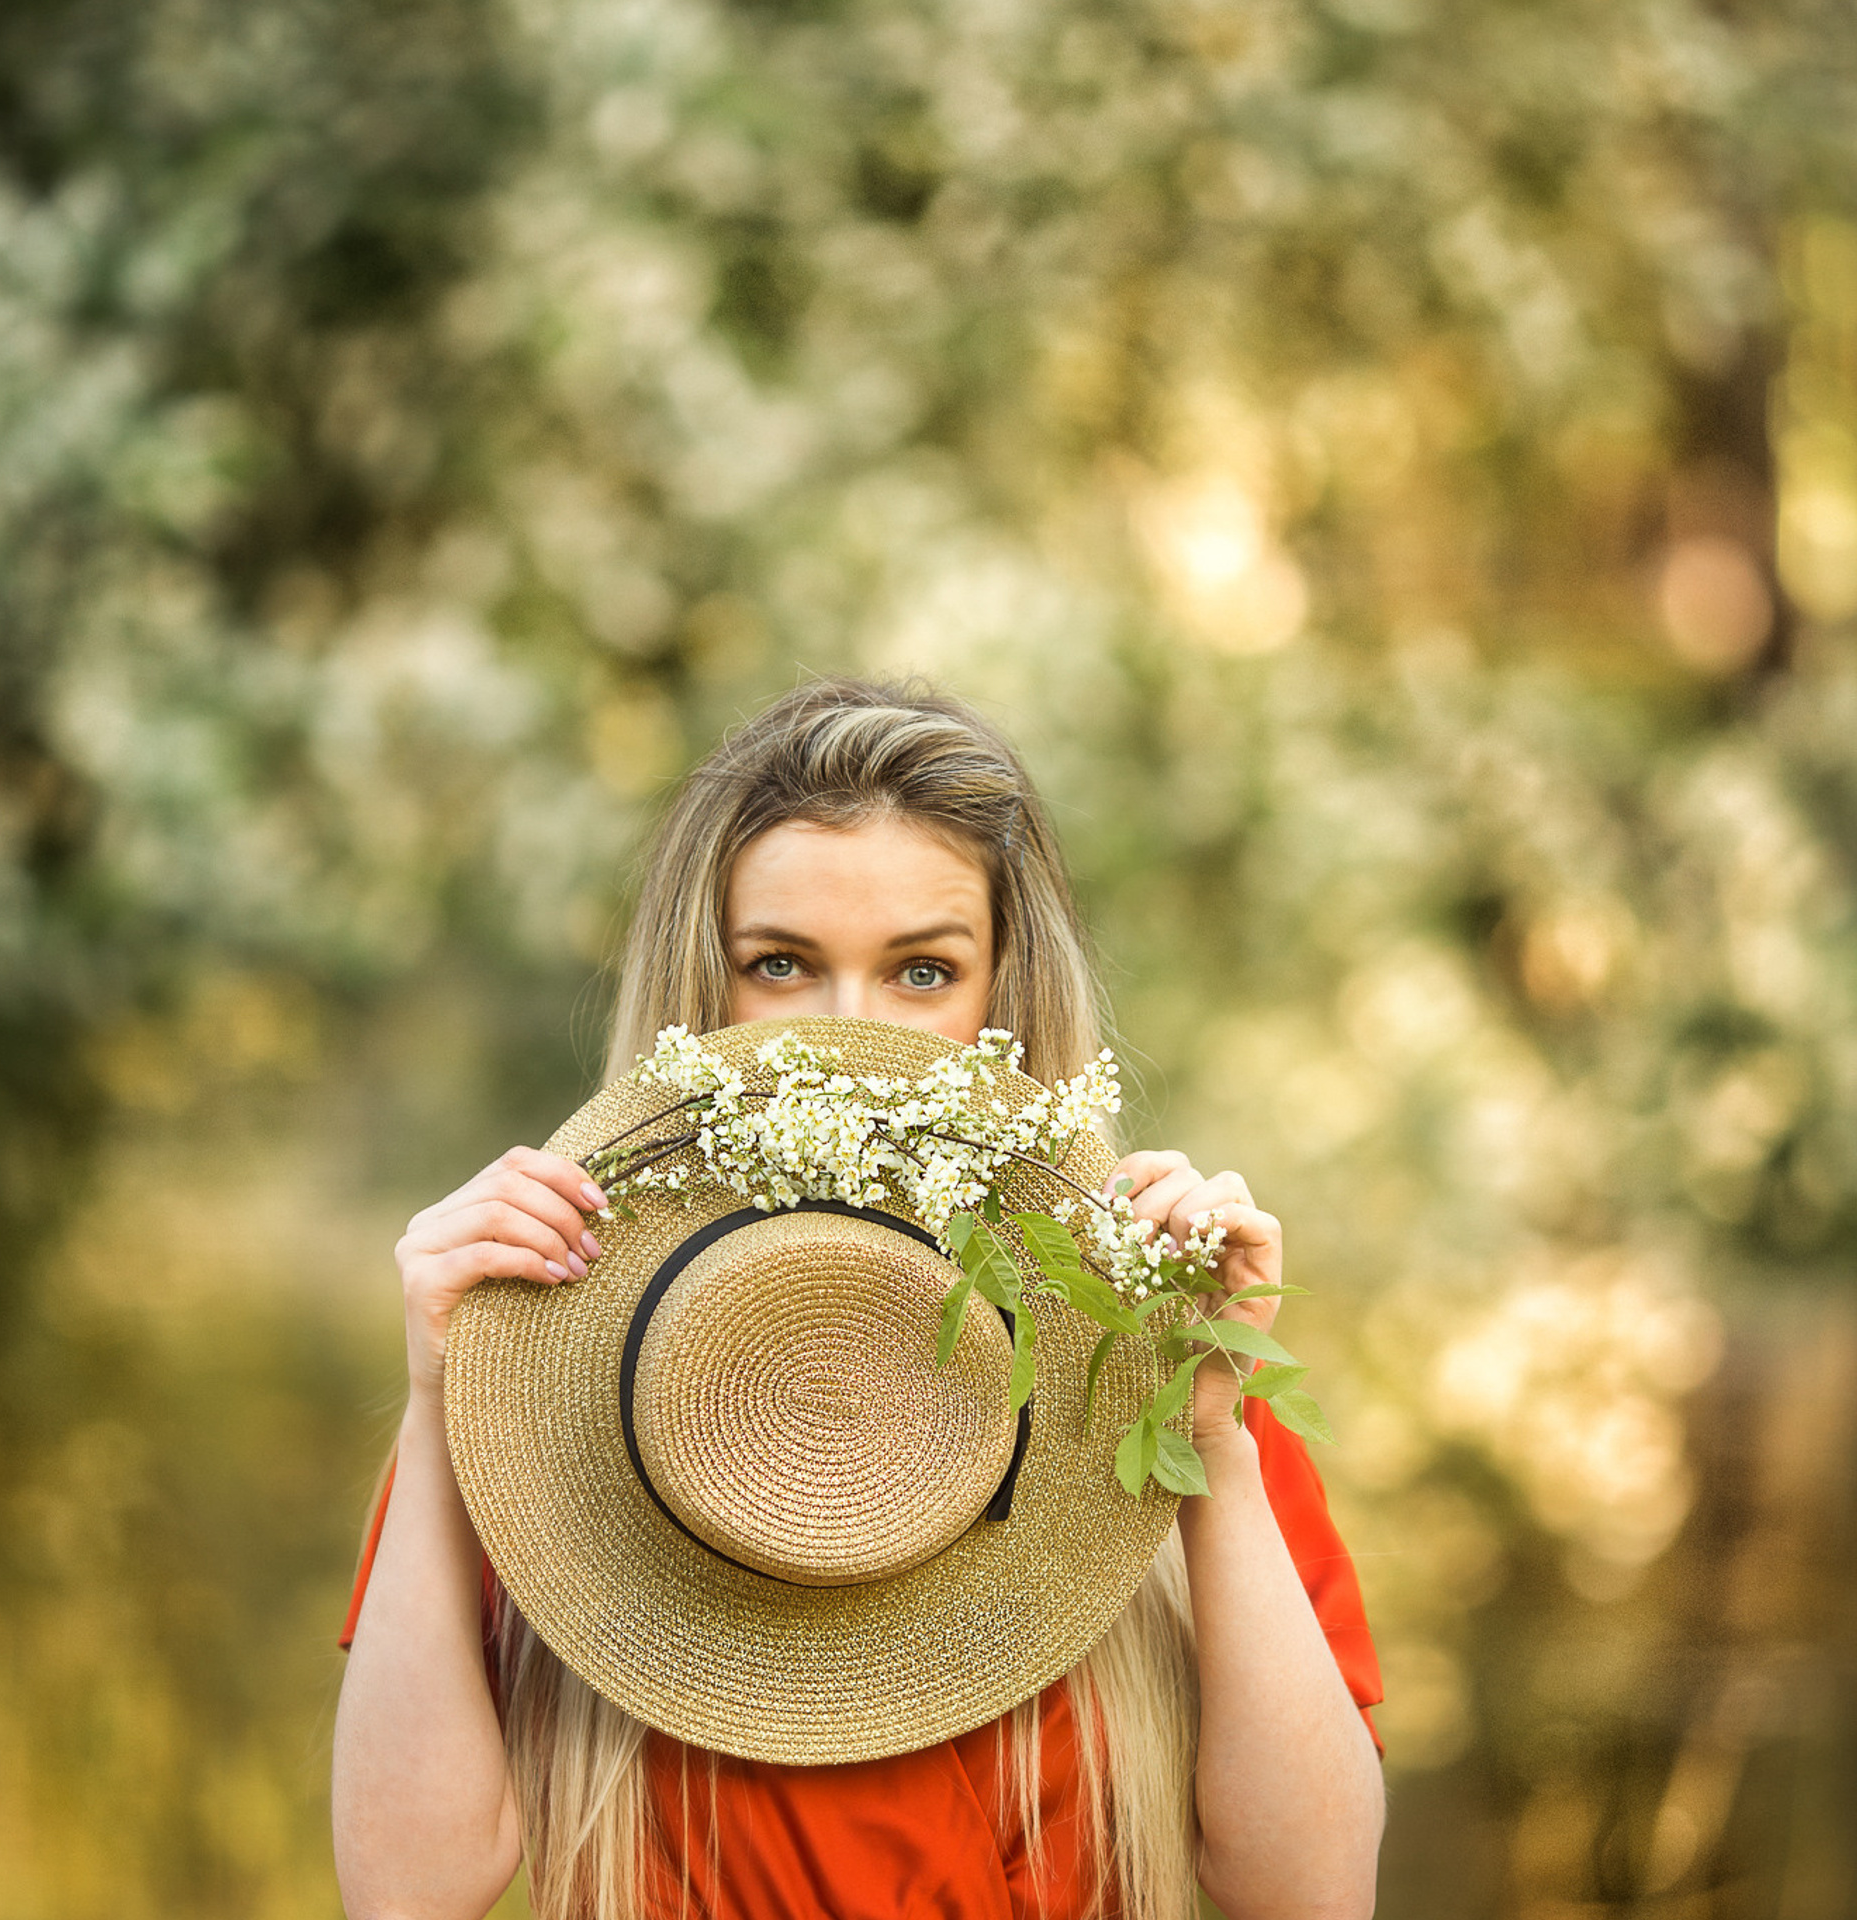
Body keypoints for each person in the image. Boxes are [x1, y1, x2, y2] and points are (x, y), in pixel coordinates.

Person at [331, 678, 1386, 1920]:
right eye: (779, 965)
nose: (850, 1037)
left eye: (922, 972)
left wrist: (1212, 1437)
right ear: (701, 992)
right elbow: (409, 1897)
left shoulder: (1142, 1355)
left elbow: (1312, 1899)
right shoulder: (539, 1361)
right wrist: (437, 1397)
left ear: (1004, 998)